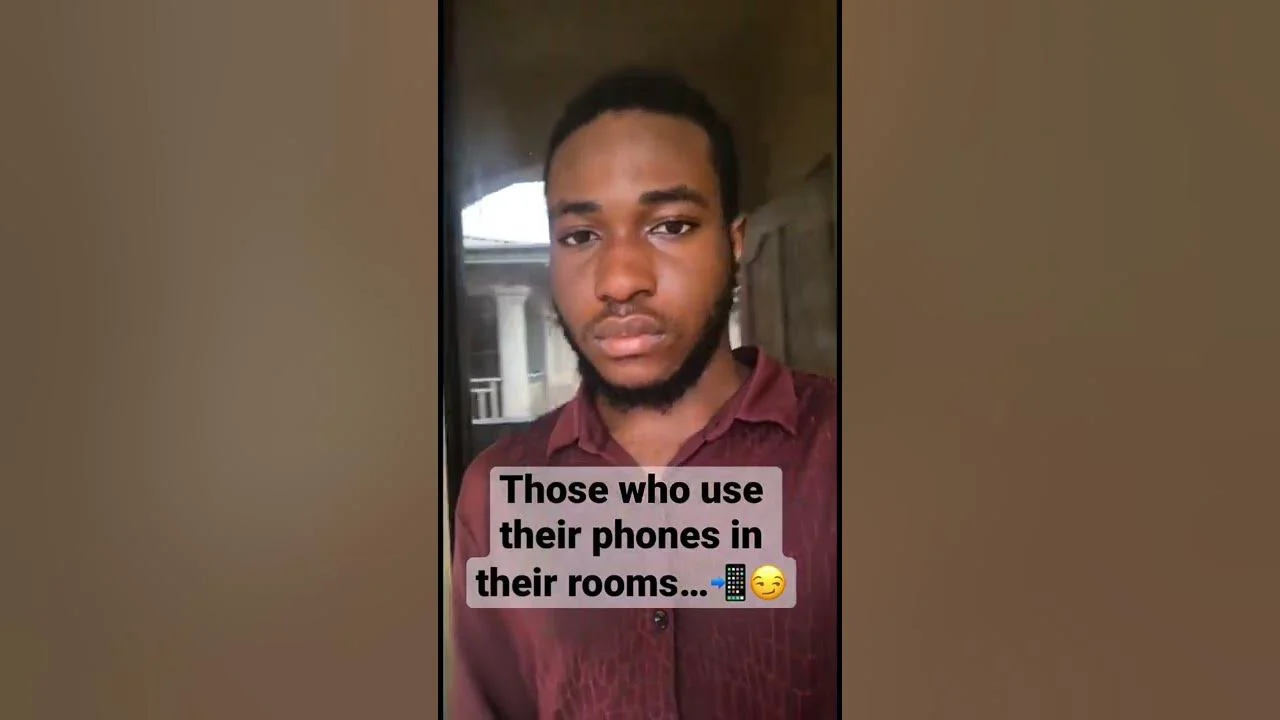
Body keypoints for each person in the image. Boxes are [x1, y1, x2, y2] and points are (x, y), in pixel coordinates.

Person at [448, 68, 838, 718]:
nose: (620, 280)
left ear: (735, 245)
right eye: (580, 236)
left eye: (671, 225)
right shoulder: (496, 497)